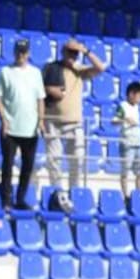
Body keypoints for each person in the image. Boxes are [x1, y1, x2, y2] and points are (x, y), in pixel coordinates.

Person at [43, 39, 106, 214]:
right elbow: (40, 90)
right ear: (63, 52)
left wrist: (85, 51)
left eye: (75, 53)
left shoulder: (79, 71)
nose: (72, 56)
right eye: (70, 52)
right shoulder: (51, 68)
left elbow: (101, 67)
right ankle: (57, 191)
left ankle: (73, 190)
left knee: (77, 158)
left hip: (74, 122)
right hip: (52, 120)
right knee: (54, 159)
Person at [0, 39, 46, 212]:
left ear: (28, 53)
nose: (21, 55)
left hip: (30, 128)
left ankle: (21, 198)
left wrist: (41, 120)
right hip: (11, 127)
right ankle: (6, 199)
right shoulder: (6, 72)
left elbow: (40, 99)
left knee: (28, 165)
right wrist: (3, 119)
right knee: (8, 164)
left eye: (24, 52)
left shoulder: (35, 73)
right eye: (18, 52)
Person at [113, 81, 140, 200]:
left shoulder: (137, 107)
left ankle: (139, 193)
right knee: (125, 171)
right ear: (131, 94)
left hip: (138, 143)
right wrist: (125, 119)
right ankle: (125, 195)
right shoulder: (122, 106)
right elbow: (114, 121)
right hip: (127, 144)